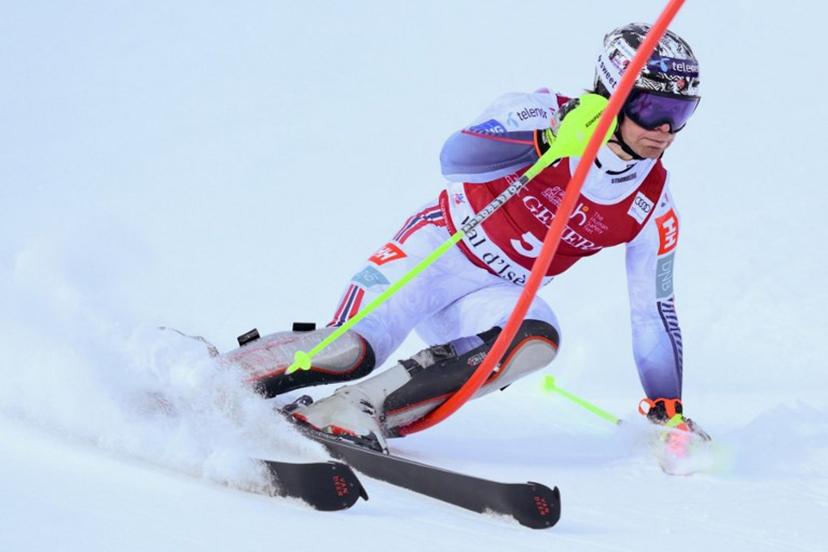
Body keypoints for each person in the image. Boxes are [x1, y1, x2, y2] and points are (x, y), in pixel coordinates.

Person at [224, 22, 710, 453]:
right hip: (436, 251)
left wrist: (667, 407)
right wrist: (549, 139)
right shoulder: (540, 110)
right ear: (615, 95)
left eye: (681, 113)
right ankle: (218, 377)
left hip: (495, 295)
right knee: (349, 351)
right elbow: (455, 157)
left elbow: (654, 311)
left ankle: (357, 409)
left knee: (537, 340)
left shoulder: (654, 204)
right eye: (652, 108)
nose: (665, 130)